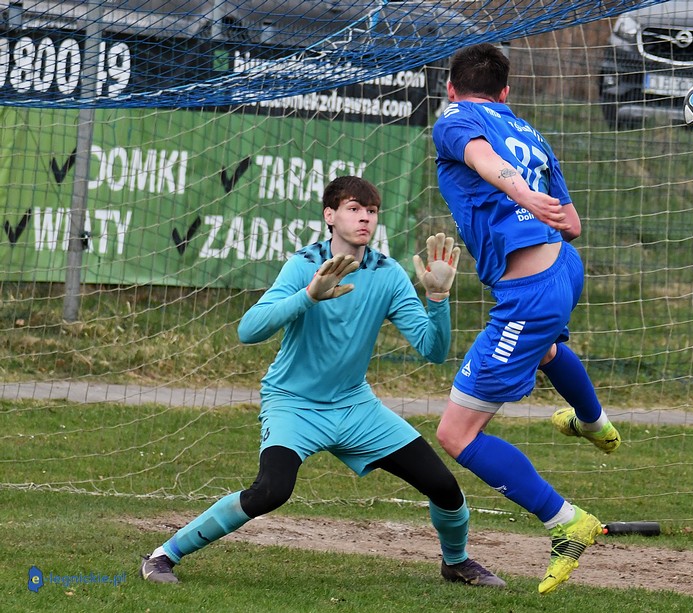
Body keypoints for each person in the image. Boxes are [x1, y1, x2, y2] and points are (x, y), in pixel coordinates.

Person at [140, 176, 504, 588]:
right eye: (354, 208)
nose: (365, 217)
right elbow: (248, 330)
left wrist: (437, 300)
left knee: (443, 486)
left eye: (371, 211)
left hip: (355, 406)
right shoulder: (303, 265)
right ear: (330, 216)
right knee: (271, 491)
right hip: (293, 403)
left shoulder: (388, 274)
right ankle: (162, 556)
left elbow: (433, 350)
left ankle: (456, 562)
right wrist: (309, 295)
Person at [431, 42, 621, 594]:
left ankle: (567, 523)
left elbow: (481, 160)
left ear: (452, 88)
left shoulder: (455, 119)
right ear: (506, 92)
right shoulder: (531, 134)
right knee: (545, 349)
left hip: (531, 290)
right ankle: (592, 421)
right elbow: (573, 225)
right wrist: (534, 202)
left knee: (455, 433)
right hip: (564, 267)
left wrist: (520, 196)